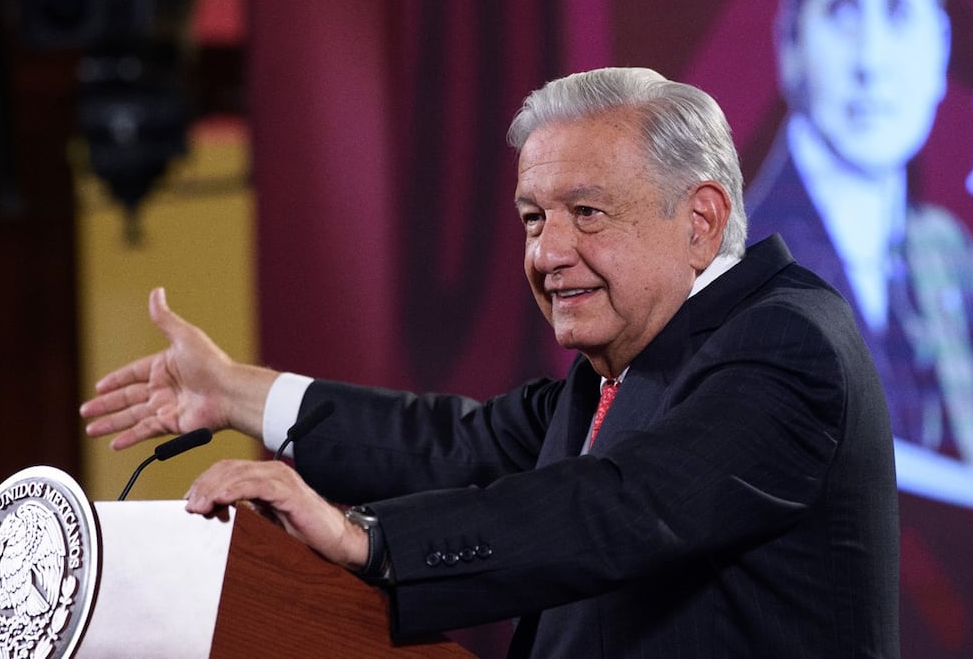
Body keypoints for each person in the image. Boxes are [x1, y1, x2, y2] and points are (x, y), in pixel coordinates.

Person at [81, 67, 900, 657]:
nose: (548, 252)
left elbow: (617, 507)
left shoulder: (785, 345)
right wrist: (236, 392)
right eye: (533, 217)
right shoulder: (622, 370)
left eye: (586, 212)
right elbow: (453, 445)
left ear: (700, 219)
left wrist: (365, 539)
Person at [746, 0, 973, 479]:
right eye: (842, 12)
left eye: (900, 13)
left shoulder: (949, 252)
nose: (872, 61)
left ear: (940, 48)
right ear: (791, 44)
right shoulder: (739, 263)